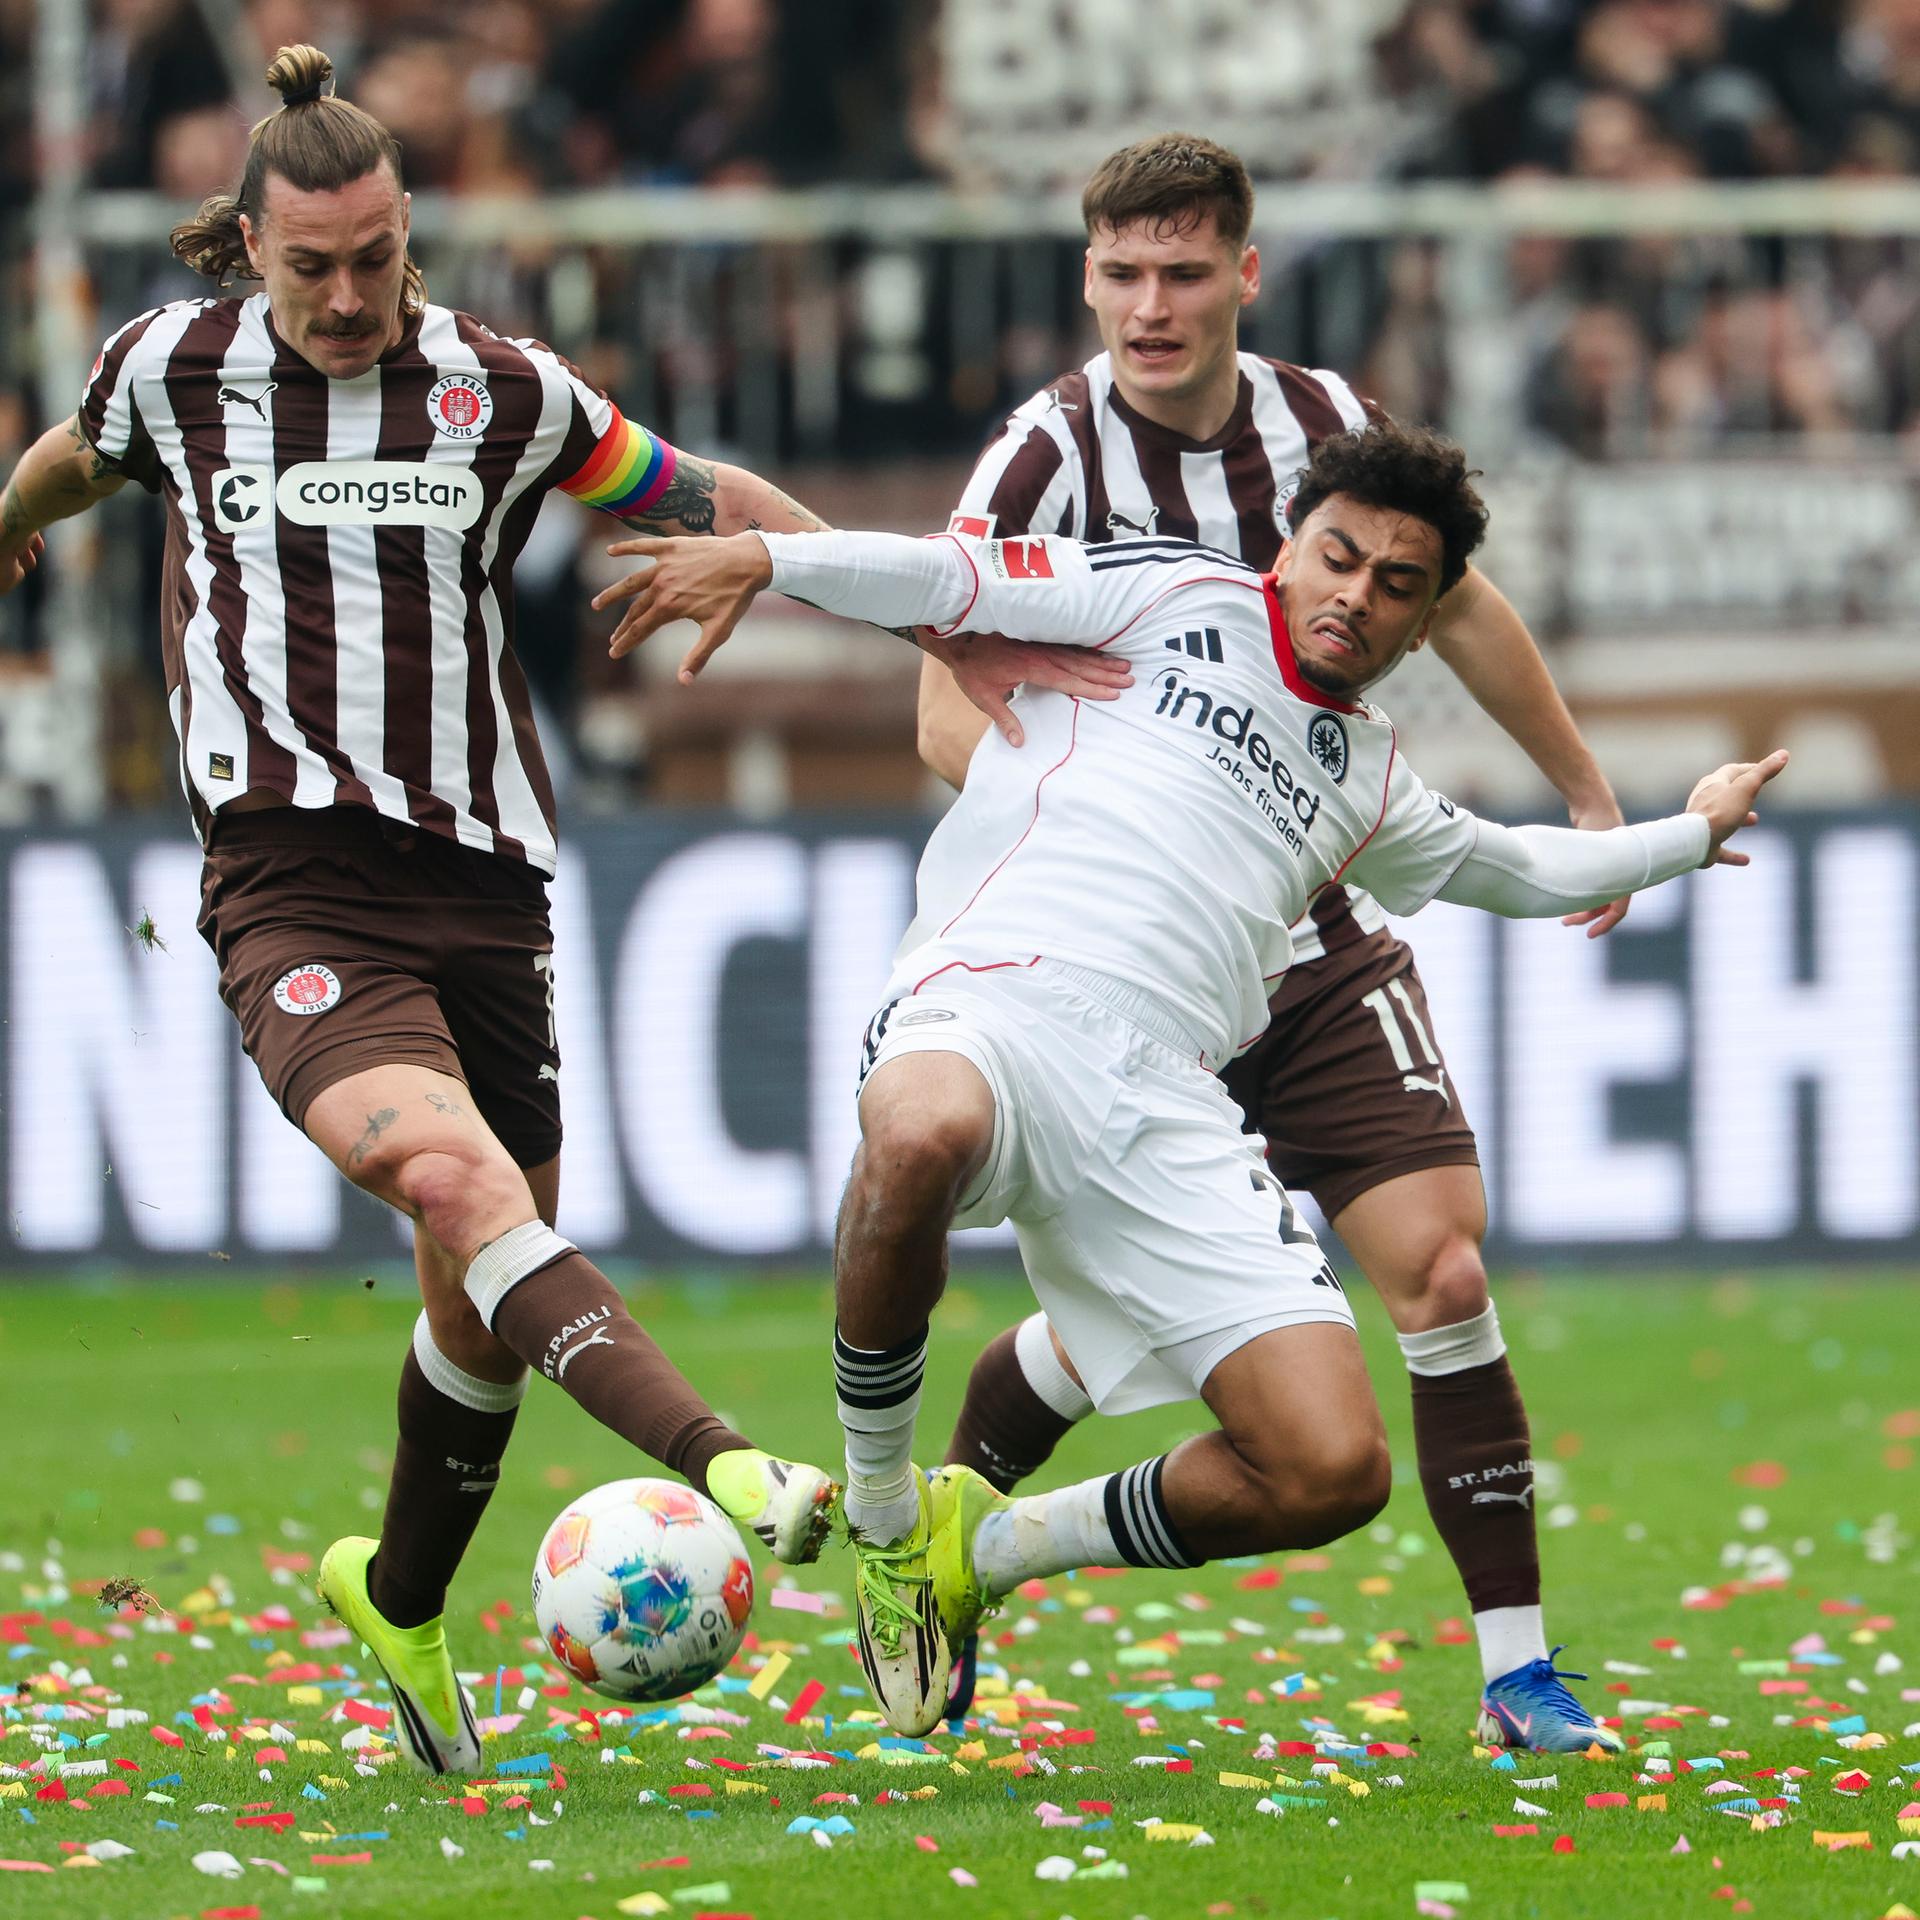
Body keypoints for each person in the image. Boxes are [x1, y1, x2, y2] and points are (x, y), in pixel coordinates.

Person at [0, 44, 1121, 1776]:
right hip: (291, 884)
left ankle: (398, 1597)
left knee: (480, 1304)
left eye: (379, 259)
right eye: (312, 269)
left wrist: (918, 619)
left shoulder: (499, 391)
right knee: (458, 1187)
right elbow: (77, 460)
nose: (351, 298)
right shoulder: (171, 366)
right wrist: (7, 522)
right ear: (250, 246)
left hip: (486, 886)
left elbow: (701, 494)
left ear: (410, 234)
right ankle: (728, 1467)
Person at [593, 420, 1787, 1738]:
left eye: (1398, 585)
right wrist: (768, 560)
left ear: (1423, 624)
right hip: (993, 994)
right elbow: (942, 576)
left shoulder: (1371, 779)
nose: (1356, 595)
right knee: (921, 1131)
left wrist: (1690, 834)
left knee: (1330, 1469)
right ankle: (884, 1517)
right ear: (1290, 549)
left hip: (1166, 1099)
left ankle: (982, 1546)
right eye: (1338, 557)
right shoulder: (1170, 592)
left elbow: (1516, 868)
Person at [916, 132, 1629, 1751]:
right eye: (1121, 275)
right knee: (1115, 1335)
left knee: (1444, 1265)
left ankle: (1518, 1670)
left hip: (1310, 939)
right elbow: (941, 714)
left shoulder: (1323, 424)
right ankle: (949, 1544)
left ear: (1245, 274)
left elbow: (1459, 603)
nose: (1150, 309)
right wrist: (1133, 829)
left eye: (1184, 274)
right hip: (1122, 966)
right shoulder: (1040, 460)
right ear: (1086, 276)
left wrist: (1587, 795)